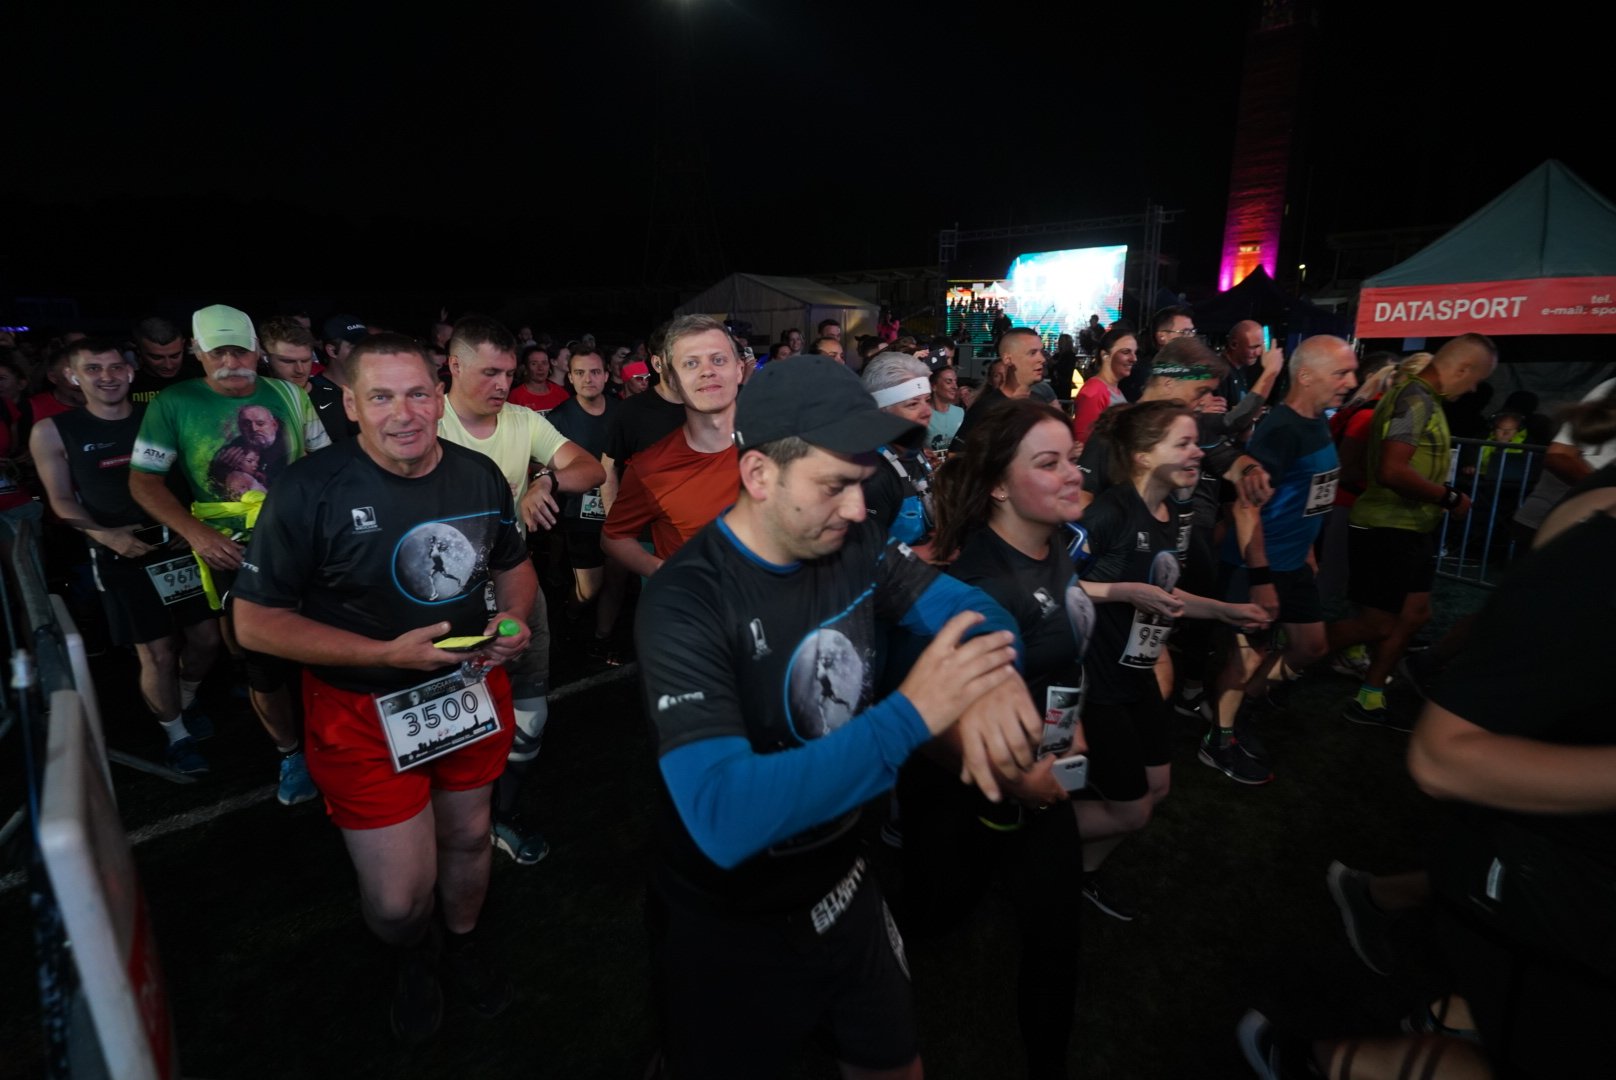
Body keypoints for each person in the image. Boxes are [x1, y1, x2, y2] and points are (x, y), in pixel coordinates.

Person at [636, 353, 1043, 1078]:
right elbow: (724, 814)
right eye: (836, 486)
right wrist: (912, 716)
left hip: (841, 878)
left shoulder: (854, 543)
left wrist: (995, 677)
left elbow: (968, 607)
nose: (859, 508)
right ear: (759, 475)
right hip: (728, 915)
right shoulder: (686, 601)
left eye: (862, 481)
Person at [233, 333, 535, 1045]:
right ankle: (412, 953)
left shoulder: (478, 474)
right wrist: (383, 655)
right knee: (399, 901)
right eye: (382, 397)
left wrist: (514, 621)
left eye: (417, 394)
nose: (404, 413)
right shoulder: (308, 489)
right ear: (351, 405)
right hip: (360, 710)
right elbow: (254, 622)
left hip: (468, 687)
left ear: (439, 396)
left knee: (469, 836)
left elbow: (512, 563)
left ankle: (461, 944)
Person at [916, 397, 1093, 1079]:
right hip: (963, 798)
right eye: (1048, 463)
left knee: (1056, 934)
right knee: (937, 911)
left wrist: (1073, 732)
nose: (1072, 474)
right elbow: (927, 719)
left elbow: (1057, 659)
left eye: (1072, 458)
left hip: (1039, 780)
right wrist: (1017, 779)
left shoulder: (1052, 544)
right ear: (998, 485)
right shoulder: (980, 587)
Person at [130, 303, 331, 805]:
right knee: (262, 661)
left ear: (256, 350)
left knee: (327, 642)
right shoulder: (173, 403)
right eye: (217, 351)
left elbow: (327, 463)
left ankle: (334, 740)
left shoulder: (289, 393)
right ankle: (290, 753)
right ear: (196, 351)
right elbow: (144, 481)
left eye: (239, 350)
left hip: (303, 541)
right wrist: (196, 532)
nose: (230, 361)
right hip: (231, 549)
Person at [1074, 401, 1269, 917]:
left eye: (1195, 443)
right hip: (1099, 681)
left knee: (1157, 787)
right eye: (1182, 444)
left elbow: (1163, 592)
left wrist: (1226, 611)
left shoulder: (1171, 514)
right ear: (1143, 456)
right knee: (1132, 810)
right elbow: (1052, 585)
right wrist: (1122, 592)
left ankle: (1081, 872)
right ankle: (1029, 834)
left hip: (1137, 674)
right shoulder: (1110, 512)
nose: (1197, 453)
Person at [437, 314, 605, 864]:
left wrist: (544, 479)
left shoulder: (521, 420)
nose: (502, 384)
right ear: (454, 365)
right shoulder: (428, 420)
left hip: (517, 584)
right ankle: (458, 826)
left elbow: (590, 470)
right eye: (490, 372)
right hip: (448, 599)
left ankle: (501, 816)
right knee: (458, 721)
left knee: (531, 716)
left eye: (508, 373)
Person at [30, 339, 222, 773]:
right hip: (120, 553)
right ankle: (177, 735)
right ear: (72, 377)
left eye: (115, 367)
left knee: (208, 639)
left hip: (177, 545)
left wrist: (187, 523)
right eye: (93, 369)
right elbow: (61, 500)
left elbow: (192, 473)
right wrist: (106, 536)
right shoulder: (53, 430)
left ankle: (185, 697)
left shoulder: (159, 415)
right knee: (156, 652)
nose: (107, 377)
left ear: (131, 372)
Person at [1326, 334, 1496, 729]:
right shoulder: (1414, 399)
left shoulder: (1423, 399)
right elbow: (1392, 470)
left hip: (1410, 525)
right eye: (1475, 380)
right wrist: (1450, 497)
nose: (1473, 389)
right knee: (1378, 623)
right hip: (1388, 526)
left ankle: (1370, 699)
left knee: (1415, 615)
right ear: (1462, 368)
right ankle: (1290, 649)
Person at [1208, 336, 1358, 783]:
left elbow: (1307, 494)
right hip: (1258, 566)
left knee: (1310, 647)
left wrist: (1307, 548)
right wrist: (1260, 577)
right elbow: (1245, 507)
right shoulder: (1282, 430)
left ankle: (1238, 709)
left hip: (1293, 562)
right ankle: (1219, 740)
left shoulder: (1315, 422)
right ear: (1306, 376)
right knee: (1245, 659)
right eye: (1341, 373)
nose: (1351, 382)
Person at [601, 314, 741, 577]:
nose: (707, 371)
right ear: (673, 380)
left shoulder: (780, 447)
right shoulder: (650, 468)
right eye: (691, 363)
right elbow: (614, 536)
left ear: (739, 369)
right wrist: (665, 574)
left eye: (718, 359)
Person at [543, 347, 625, 657]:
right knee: (589, 588)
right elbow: (541, 463)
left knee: (617, 582)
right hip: (579, 515)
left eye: (594, 372)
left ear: (606, 375)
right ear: (570, 377)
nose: (588, 379)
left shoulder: (622, 412)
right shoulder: (558, 418)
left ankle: (602, 639)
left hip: (620, 511)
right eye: (580, 372)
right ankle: (569, 616)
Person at [860, 353, 937, 552]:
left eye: (927, 400)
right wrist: (926, 554)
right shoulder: (873, 475)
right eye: (913, 404)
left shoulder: (913, 452)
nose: (927, 412)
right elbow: (860, 555)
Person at [951, 327, 1047, 451]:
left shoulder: (1040, 403)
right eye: (1032, 353)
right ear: (1008, 359)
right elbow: (956, 453)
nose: (1042, 359)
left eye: (1041, 352)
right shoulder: (987, 408)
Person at [1070, 327, 1137, 444]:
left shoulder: (1113, 389)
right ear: (1105, 355)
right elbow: (1084, 443)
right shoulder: (1094, 392)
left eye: (1135, 353)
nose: (1134, 359)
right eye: (1126, 352)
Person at [1119, 305, 1195, 402]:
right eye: (1185, 332)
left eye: (1192, 332)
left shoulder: (1186, 369)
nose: (1191, 337)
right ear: (1161, 337)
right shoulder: (1143, 373)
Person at [129, 315, 202, 405]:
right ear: (139, 351)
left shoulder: (200, 379)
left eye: (175, 356)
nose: (169, 366)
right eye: (157, 357)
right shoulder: (126, 386)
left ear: (183, 345)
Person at [508, 344, 569, 413]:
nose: (540, 368)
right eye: (534, 364)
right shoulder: (516, 396)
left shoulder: (560, 393)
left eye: (544, 363)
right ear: (526, 367)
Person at [924, 364, 963, 456]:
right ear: (934, 386)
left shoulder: (960, 413)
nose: (955, 386)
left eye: (955, 381)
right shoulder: (922, 413)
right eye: (949, 382)